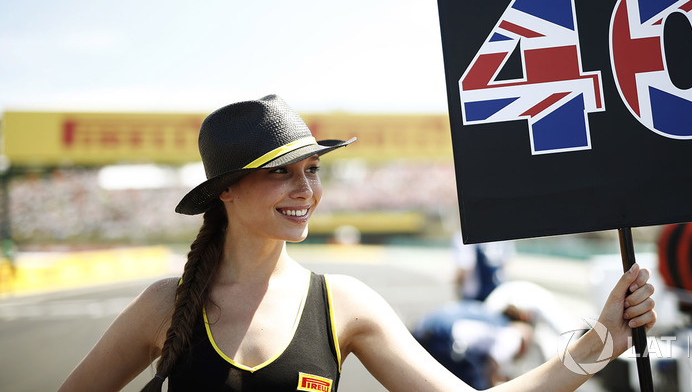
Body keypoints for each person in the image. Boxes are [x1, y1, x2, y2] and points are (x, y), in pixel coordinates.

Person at [58, 94, 656, 392]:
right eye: (280, 171)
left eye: (313, 170)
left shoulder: (343, 303)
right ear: (226, 194)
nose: (305, 188)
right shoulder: (166, 306)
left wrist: (603, 343)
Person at [412, 299, 534, 389]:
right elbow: (493, 367)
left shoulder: (491, 315)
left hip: (427, 327)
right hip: (445, 339)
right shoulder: (513, 335)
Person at [452, 233, 515, 301]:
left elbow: (465, 267)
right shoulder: (503, 234)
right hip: (496, 292)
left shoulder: (463, 236)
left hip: (474, 295)